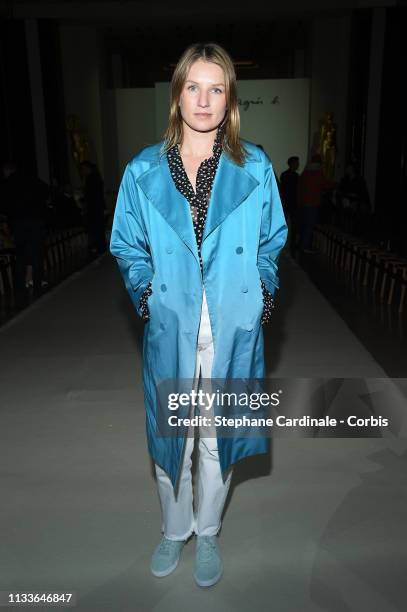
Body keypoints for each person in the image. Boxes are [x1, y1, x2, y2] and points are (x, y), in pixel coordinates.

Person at [110, 42, 288, 588]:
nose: (204, 100)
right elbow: (126, 245)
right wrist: (146, 296)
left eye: (216, 88)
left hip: (232, 326)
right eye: (194, 87)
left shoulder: (253, 166)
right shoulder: (142, 171)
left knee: (217, 437)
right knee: (173, 438)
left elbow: (272, 239)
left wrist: (262, 288)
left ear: (229, 97)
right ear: (177, 94)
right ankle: (173, 528)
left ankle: (207, 531)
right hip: (172, 325)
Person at [0, 161, 49, 303]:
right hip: (36, 221)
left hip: (19, 222)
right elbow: (46, 191)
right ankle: (38, 285)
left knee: (21, 256)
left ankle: (20, 288)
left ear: (8, 171)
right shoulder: (32, 179)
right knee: (37, 254)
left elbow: (3, 204)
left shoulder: (9, 183)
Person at [298, 153, 336, 253]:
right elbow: (325, 184)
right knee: (309, 226)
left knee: (305, 225)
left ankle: (302, 245)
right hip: (313, 203)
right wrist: (336, 184)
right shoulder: (318, 173)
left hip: (304, 203)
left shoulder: (305, 173)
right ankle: (306, 247)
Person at [80, 161, 107, 256]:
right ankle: (100, 247)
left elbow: (92, 195)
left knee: (95, 228)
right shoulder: (96, 178)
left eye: (83, 169)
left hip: (94, 208)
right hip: (97, 208)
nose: (82, 171)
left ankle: (97, 247)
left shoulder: (91, 179)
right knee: (98, 228)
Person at [280, 156, 300, 253]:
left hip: (288, 203)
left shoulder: (285, 175)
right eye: (296, 163)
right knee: (290, 224)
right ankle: (290, 244)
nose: (298, 165)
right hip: (290, 203)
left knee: (290, 224)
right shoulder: (295, 176)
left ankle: (286, 243)